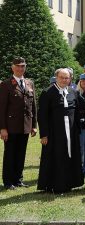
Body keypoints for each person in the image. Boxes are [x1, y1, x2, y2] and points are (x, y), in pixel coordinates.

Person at [37, 68, 84, 193]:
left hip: (71, 132)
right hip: (54, 134)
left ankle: (70, 182)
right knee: (55, 157)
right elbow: (42, 116)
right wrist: (44, 135)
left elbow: (80, 110)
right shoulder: (47, 93)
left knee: (71, 156)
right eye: (62, 77)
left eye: (67, 78)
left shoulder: (73, 92)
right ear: (56, 78)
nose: (64, 80)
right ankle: (53, 184)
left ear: (70, 79)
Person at [0, 57, 37, 190]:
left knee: (21, 153)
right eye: (18, 66)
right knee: (10, 154)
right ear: (12, 67)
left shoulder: (29, 83)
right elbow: (2, 108)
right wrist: (3, 128)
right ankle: (8, 181)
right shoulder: (6, 84)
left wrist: (33, 125)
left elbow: (33, 107)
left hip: (25, 126)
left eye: (23, 66)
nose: (20, 68)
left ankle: (18, 179)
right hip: (11, 127)